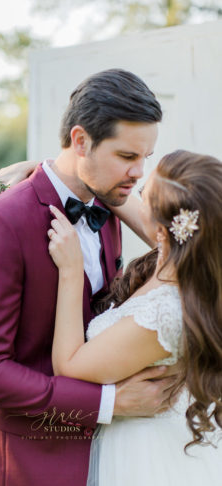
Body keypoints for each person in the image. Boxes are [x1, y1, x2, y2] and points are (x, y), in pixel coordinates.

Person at [0, 69, 178, 486]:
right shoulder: (1, 222)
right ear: (80, 141)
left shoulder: (109, 206)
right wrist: (109, 401)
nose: (138, 173)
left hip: (108, 457)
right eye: (127, 157)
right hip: (25, 462)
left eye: (144, 159)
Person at [46, 149, 222, 485]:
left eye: (145, 194)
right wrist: (52, 171)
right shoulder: (188, 263)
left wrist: (71, 271)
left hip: (144, 456)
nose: (136, 190)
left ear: (165, 229)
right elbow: (117, 200)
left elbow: (68, 366)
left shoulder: (166, 312)